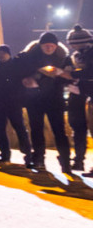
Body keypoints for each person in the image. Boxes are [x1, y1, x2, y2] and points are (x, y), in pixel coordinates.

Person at [19, 31, 72, 173]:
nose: (49, 48)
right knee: (36, 129)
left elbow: (70, 77)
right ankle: (39, 158)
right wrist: (29, 79)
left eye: (52, 46)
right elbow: (20, 72)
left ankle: (66, 162)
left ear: (56, 46)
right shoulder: (29, 57)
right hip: (35, 99)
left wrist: (59, 73)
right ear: (40, 45)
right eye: (46, 45)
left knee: (59, 131)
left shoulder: (63, 58)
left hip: (55, 99)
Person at [0, 45, 33, 165]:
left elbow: (23, 81)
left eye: (3, 53)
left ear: (9, 53)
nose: (1, 55)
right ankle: (5, 155)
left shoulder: (16, 65)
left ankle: (28, 154)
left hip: (13, 102)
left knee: (19, 127)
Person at [65, 25, 93, 174]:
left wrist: (73, 75)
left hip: (87, 95)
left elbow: (89, 72)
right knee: (82, 129)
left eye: (73, 43)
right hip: (82, 95)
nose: (71, 46)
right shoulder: (77, 56)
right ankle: (79, 160)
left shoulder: (88, 54)